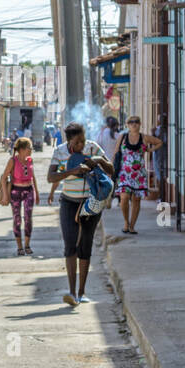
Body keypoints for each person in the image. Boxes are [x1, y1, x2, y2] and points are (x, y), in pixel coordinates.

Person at [47, 122, 113, 307]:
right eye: (77, 142)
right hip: (69, 202)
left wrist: (98, 161)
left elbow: (111, 169)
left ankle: (82, 292)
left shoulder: (93, 147)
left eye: (83, 140)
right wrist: (73, 171)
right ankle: (72, 292)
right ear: (69, 141)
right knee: (70, 245)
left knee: (85, 245)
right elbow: (51, 177)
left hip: (91, 204)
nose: (81, 145)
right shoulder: (60, 152)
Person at [114, 115, 162, 234]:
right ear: (127, 125)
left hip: (139, 175)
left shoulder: (144, 138)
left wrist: (150, 150)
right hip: (124, 174)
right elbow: (115, 154)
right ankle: (126, 222)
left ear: (140, 124)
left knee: (136, 200)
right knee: (124, 198)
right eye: (131, 122)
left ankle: (132, 226)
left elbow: (159, 142)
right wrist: (112, 170)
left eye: (136, 122)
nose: (134, 124)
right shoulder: (122, 137)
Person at [2, 137, 38, 256]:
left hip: (28, 190)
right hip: (16, 191)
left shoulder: (30, 160)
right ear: (22, 149)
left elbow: (33, 177)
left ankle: (27, 245)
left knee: (28, 218)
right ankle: (19, 247)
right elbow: (3, 178)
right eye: (29, 148)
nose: (31, 150)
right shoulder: (13, 161)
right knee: (17, 219)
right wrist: (5, 195)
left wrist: (36, 193)